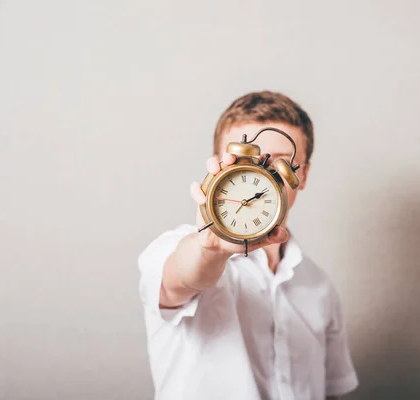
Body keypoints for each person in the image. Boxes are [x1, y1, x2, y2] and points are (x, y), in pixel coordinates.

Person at [138, 91, 358, 400]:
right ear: (219, 167)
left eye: (280, 164)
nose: (261, 176)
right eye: (245, 163)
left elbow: (333, 391)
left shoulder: (319, 286)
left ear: (302, 174)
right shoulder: (176, 248)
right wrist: (211, 248)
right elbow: (184, 277)